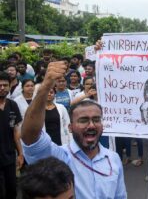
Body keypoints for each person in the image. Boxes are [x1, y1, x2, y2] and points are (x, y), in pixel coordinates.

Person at [21, 61, 127, 199]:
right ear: (70, 127)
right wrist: (45, 86)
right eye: (83, 120)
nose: (91, 125)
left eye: (96, 120)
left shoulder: (113, 159)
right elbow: (31, 137)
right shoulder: (59, 157)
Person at [0, 71, 24, 199]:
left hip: (9, 155)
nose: (2, 88)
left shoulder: (12, 105)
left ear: (9, 87)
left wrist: (20, 153)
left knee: (12, 190)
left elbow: (16, 130)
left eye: (5, 85)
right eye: (0, 85)